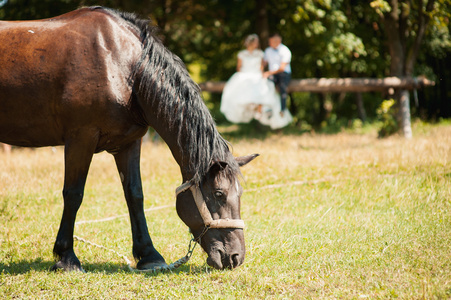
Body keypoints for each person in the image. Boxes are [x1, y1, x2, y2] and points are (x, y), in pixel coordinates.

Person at [220, 34, 292, 129]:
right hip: (246, 73)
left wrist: (262, 73)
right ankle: (253, 108)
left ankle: (264, 109)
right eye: (256, 42)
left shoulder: (265, 53)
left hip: (274, 74)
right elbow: (239, 68)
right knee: (246, 84)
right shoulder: (245, 54)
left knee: (265, 86)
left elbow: (262, 67)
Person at [263, 33, 292, 117]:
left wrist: (269, 72)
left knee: (283, 88)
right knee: (268, 84)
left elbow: (282, 68)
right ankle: (268, 107)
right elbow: (264, 63)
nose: (269, 44)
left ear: (278, 41)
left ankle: (283, 109)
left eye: (271, 42)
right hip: (273, 74)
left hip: (283, 73)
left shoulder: (285, 50)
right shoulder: (268, 50)